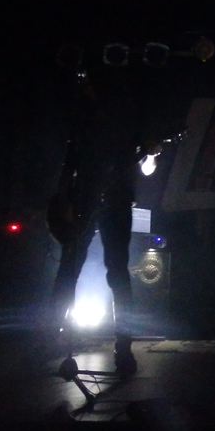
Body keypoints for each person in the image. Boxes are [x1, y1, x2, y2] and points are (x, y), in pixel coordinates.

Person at [47, 65, 163, 378]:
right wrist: (63, 201)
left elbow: (147, 165)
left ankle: (123, 349)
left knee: (117, 271)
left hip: (116, 202)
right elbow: (69, 164)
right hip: (84, 201)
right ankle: (49, 337)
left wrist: (152, 152)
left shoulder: (128, 121)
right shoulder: (83, 122)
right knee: (70, 267)